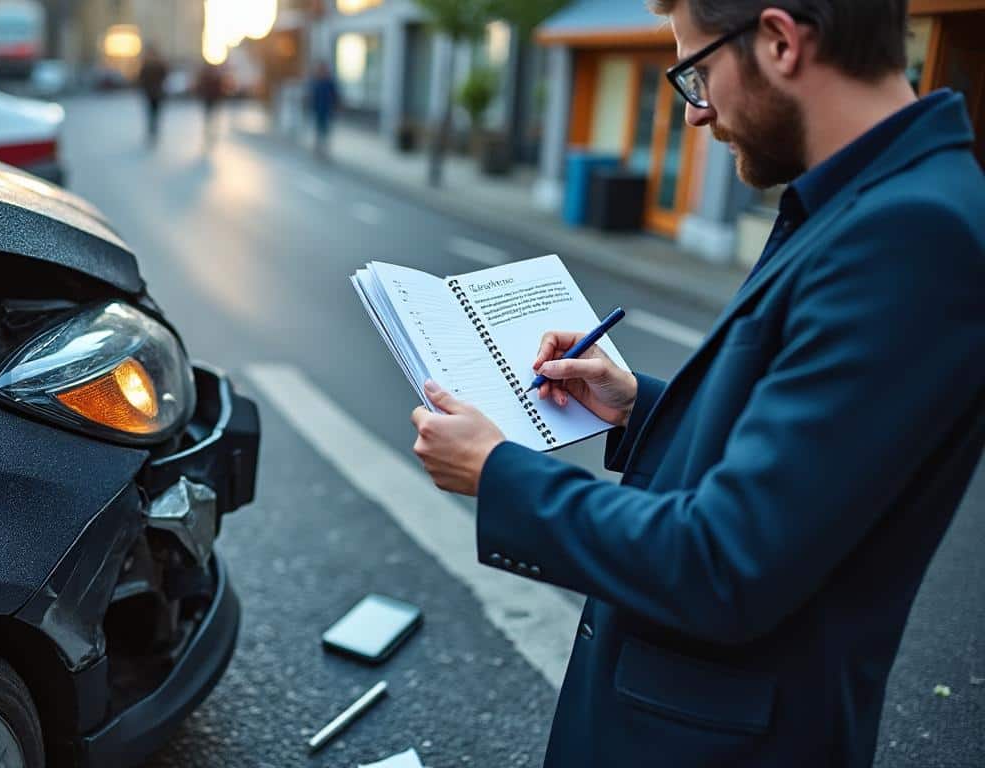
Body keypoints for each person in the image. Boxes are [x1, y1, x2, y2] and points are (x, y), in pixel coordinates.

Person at [409, 1, 985, 766]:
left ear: (780, 40)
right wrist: (638, 408)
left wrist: (498, 474)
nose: (696, 112)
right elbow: (796, 461)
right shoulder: (871, 198)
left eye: (698, 70)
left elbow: (727, 564)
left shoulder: (911, 234)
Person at [307, 62, 339, 158]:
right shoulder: (316, 81)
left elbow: (335, 95)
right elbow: (312, 95)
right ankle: (318, 147)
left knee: (325, 129)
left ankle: (324, 148)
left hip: (327, 110)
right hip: (318, 110)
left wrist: (336, 106)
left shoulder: (329, 82)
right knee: (318, 128)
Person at [139, 45, 168, 146]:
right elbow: (141, 78)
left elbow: (165, 76)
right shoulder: (146, 66)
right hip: (149, 93)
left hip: (157, 93)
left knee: (156, 113)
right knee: (151, 113)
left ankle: (154, 131)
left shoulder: (159, 65)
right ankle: (152, 131)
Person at [195, 62, 225, 146]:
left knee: (215, 114)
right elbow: (201, 85)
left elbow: (221, 87)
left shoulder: (218, 75)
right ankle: (208, 127)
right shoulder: (206, 75)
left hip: (215, 97)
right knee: (208, 113)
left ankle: (213, 128)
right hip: (208, 97)